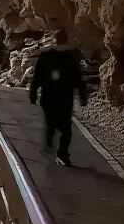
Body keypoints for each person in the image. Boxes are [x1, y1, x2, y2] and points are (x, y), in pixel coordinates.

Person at [29, 30, 89, 167]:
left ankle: (54, 147)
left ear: (54, 41)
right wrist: (82, 96)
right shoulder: (71, 57)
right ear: (66, 41)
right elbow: (78, 79)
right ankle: (61, 153)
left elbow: (37, 77)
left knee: (53, 124)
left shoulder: (45, 57)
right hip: (64, 98)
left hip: (50, 97)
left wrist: (33, 93)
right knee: (65, 128)